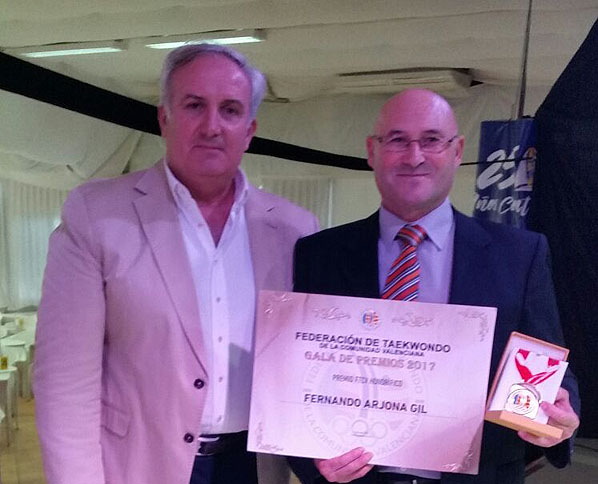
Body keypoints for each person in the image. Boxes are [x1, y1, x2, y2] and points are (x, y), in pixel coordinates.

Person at [34, 43, 318, 484]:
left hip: (255, 467)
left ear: (249, 130)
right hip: (140, 465)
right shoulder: (97, 215)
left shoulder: (295, 229)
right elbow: (65, 383)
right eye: (194, 105)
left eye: (230, 110)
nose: (212, 126)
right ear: (164, 117)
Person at [289, 89, 579, 484]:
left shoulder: (519, 255)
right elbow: (295, 378)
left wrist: (557, 420)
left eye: (431, 140)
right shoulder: (319, 254)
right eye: (397, 140)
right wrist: (313, 463)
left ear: (457, 150)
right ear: (372, 151)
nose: (414, 156)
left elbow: (548, 369)